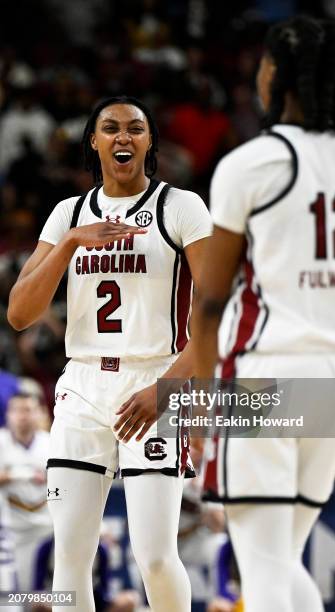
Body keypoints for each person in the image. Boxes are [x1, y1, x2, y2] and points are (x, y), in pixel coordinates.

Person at [192, 16, 335, 612]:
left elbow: (209, 301)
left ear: (278, 76)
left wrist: (200, 405)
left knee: (260, 572)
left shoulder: (251, 163)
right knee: (280, 559)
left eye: (262, 65)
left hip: (265, 374)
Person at [8, 95, 212, 612]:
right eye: (111, 128)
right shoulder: (68, 214)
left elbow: (214, 316)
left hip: (157, 382)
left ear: (149, 142)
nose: (123, 136)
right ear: (93, 142)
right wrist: (72, 242)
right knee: (70, 555)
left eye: (135, 128)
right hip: (83, 386)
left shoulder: (180, 207)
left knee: (156, 557)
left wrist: (167, 391)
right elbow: (19, 313)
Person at [0, 392, 52, 591]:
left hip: (47, 527)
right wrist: (24, 475)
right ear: (8, 415)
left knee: (47, 594)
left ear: (40, 413)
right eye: (17, 410)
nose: (23, 416)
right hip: (10, 530)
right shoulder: (1, 441)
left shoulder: (51, 442)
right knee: (13, 594)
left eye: (28, 410)